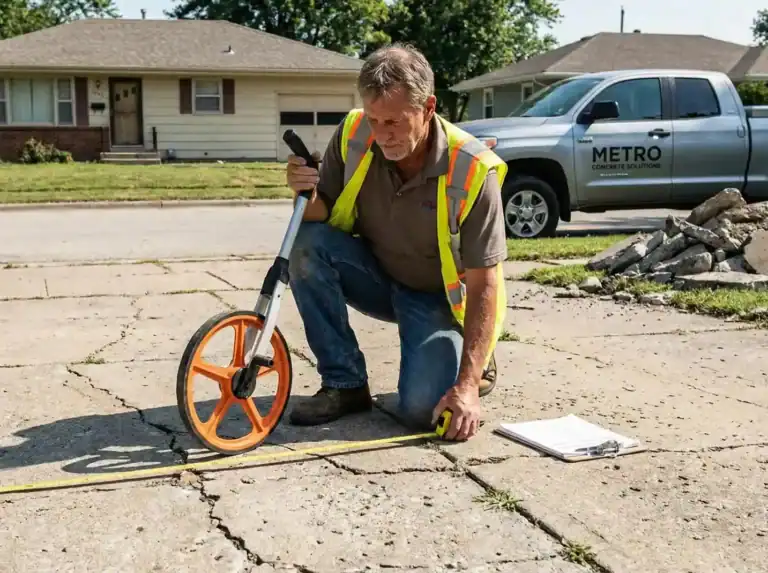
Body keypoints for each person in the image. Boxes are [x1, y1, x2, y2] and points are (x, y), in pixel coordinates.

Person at [283, 43, 508, 441]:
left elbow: (483, 284)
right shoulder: (354, 134)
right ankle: (345, 384)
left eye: (394, 122)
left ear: (428, 107)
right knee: (307, 241)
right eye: (374, 119)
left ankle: (476, 362)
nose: (381, 134)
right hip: (376, 277)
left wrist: (467, 386)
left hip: (436, 297)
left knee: (424, 411)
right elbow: (321, 215)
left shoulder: (472, 170)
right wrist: (304, 190)